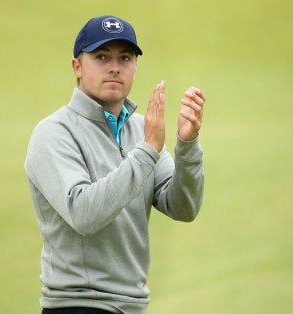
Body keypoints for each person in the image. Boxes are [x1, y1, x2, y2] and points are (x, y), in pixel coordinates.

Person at [25, 15, 207, 314]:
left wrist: (187, 145)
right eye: (101, 57)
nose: (114, 67)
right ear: (77, 67)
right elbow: (83, 214)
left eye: (125, 57)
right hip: (77, 305)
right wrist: (148, 149)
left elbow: (184, 208)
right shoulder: (54, 132)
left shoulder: (141, 129)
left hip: (132, 306)